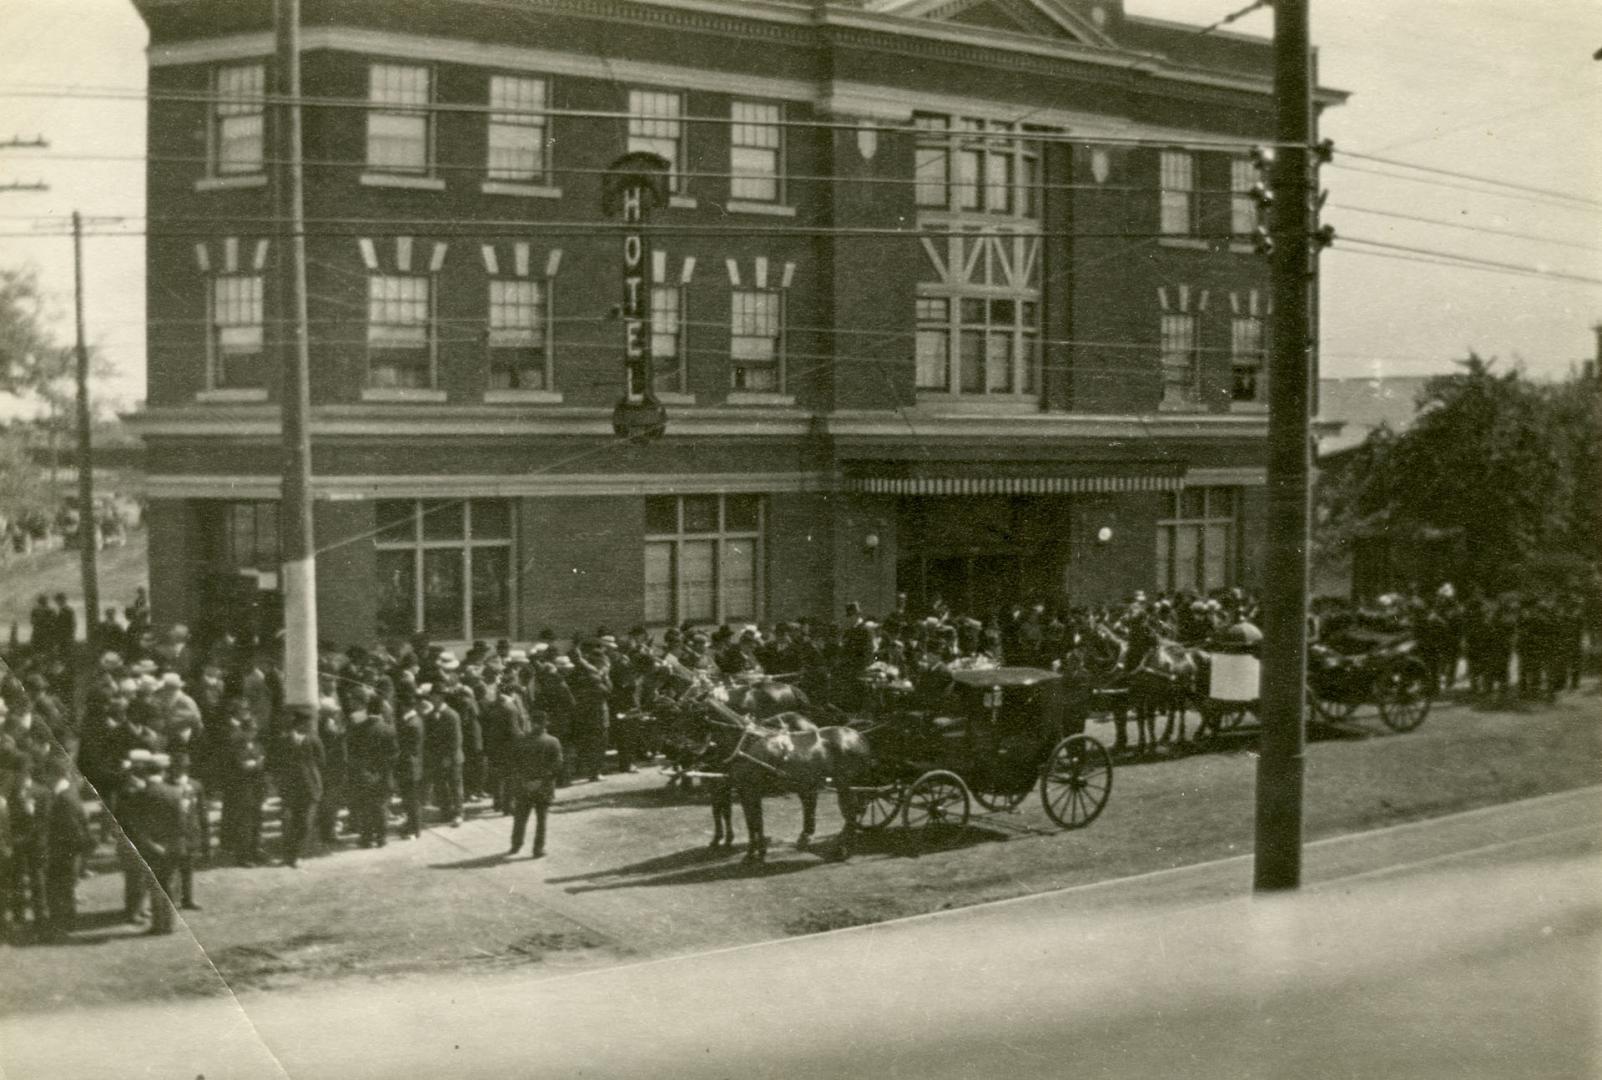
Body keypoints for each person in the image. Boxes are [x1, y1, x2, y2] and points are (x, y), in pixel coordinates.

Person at [119, 752, 185, 935]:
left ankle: (159, 923)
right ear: (162, 772)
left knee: (154, 885)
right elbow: (180, 823)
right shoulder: (174, 792)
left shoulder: (141, 795)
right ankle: (169, 923)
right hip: (171, 844)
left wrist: (149, 843)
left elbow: (135, 824)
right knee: (169, 883)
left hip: (151, 846)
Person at [42, 753, 95, 938]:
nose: (45, 779)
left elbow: (73, 830)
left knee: (61, 887)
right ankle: (64, 923)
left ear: (54, 774)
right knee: (63, 888)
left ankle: (63, 925)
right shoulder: (67, 792)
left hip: (65, 851)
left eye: (46, 774)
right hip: (67, 850)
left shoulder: (65, 798)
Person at [507, 711, 563, 859]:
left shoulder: (521, 741)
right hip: (544, 787)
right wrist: (541, 780)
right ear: (546, 723)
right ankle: (538, 848)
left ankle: (516, 844)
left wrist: (524, 781)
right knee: (541, 819)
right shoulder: (553, 741)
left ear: (532, 722)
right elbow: (557, 766)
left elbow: (514, 764)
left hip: (524, 786)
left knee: (520, 817)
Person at [345, 696, 397, 848]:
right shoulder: (388, 729)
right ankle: (381, 837)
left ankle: (366, 838)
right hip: (383, 774)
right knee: (381, 806)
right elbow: (394, 755)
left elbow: (352, 752)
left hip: (364, 774)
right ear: (381, 710)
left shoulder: (358, 728)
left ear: (367, 710)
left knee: (365, 806)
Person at [275, 714, 324, 868]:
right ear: (299, 724)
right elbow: (278, 762)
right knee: (291, 821)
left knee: (304, 823)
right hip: (292, 787)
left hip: (309, 786)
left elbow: (321, 761)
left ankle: (294, 854)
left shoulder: (314, 740)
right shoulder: (284, 740)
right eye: (306, 723)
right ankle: (290, 854)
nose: (308, 726)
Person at [168, 751, 208, 910]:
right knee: (172, 867)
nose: (182, 769)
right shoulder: (167, 784)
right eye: (178, 766)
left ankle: (187, 898)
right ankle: (172, 900)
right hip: (173, 832)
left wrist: (205, 837)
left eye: (185, 766)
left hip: (191, 831)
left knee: (188, 866)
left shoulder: (196, 785)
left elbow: (202, 812)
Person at [422, 684, 464, 826]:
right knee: (440, 785)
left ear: (441, 697)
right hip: (436, 757)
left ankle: (458, 813)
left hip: (452, 757)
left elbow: (456, 739)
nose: (431, 698)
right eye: (431, 696)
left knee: (454, 785)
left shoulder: (451, 715)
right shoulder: (430, 715)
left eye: (434, 696)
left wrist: (448, 757)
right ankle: (445, 811)